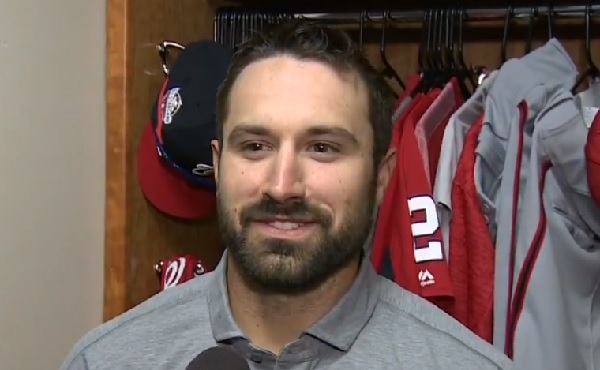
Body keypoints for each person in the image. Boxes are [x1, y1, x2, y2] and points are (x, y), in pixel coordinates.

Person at [60, 21, 513, 370]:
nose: (282, 186)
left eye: (322, 148)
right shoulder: (108, 360)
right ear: (218, 166)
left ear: (381, 176)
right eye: (255, 146)